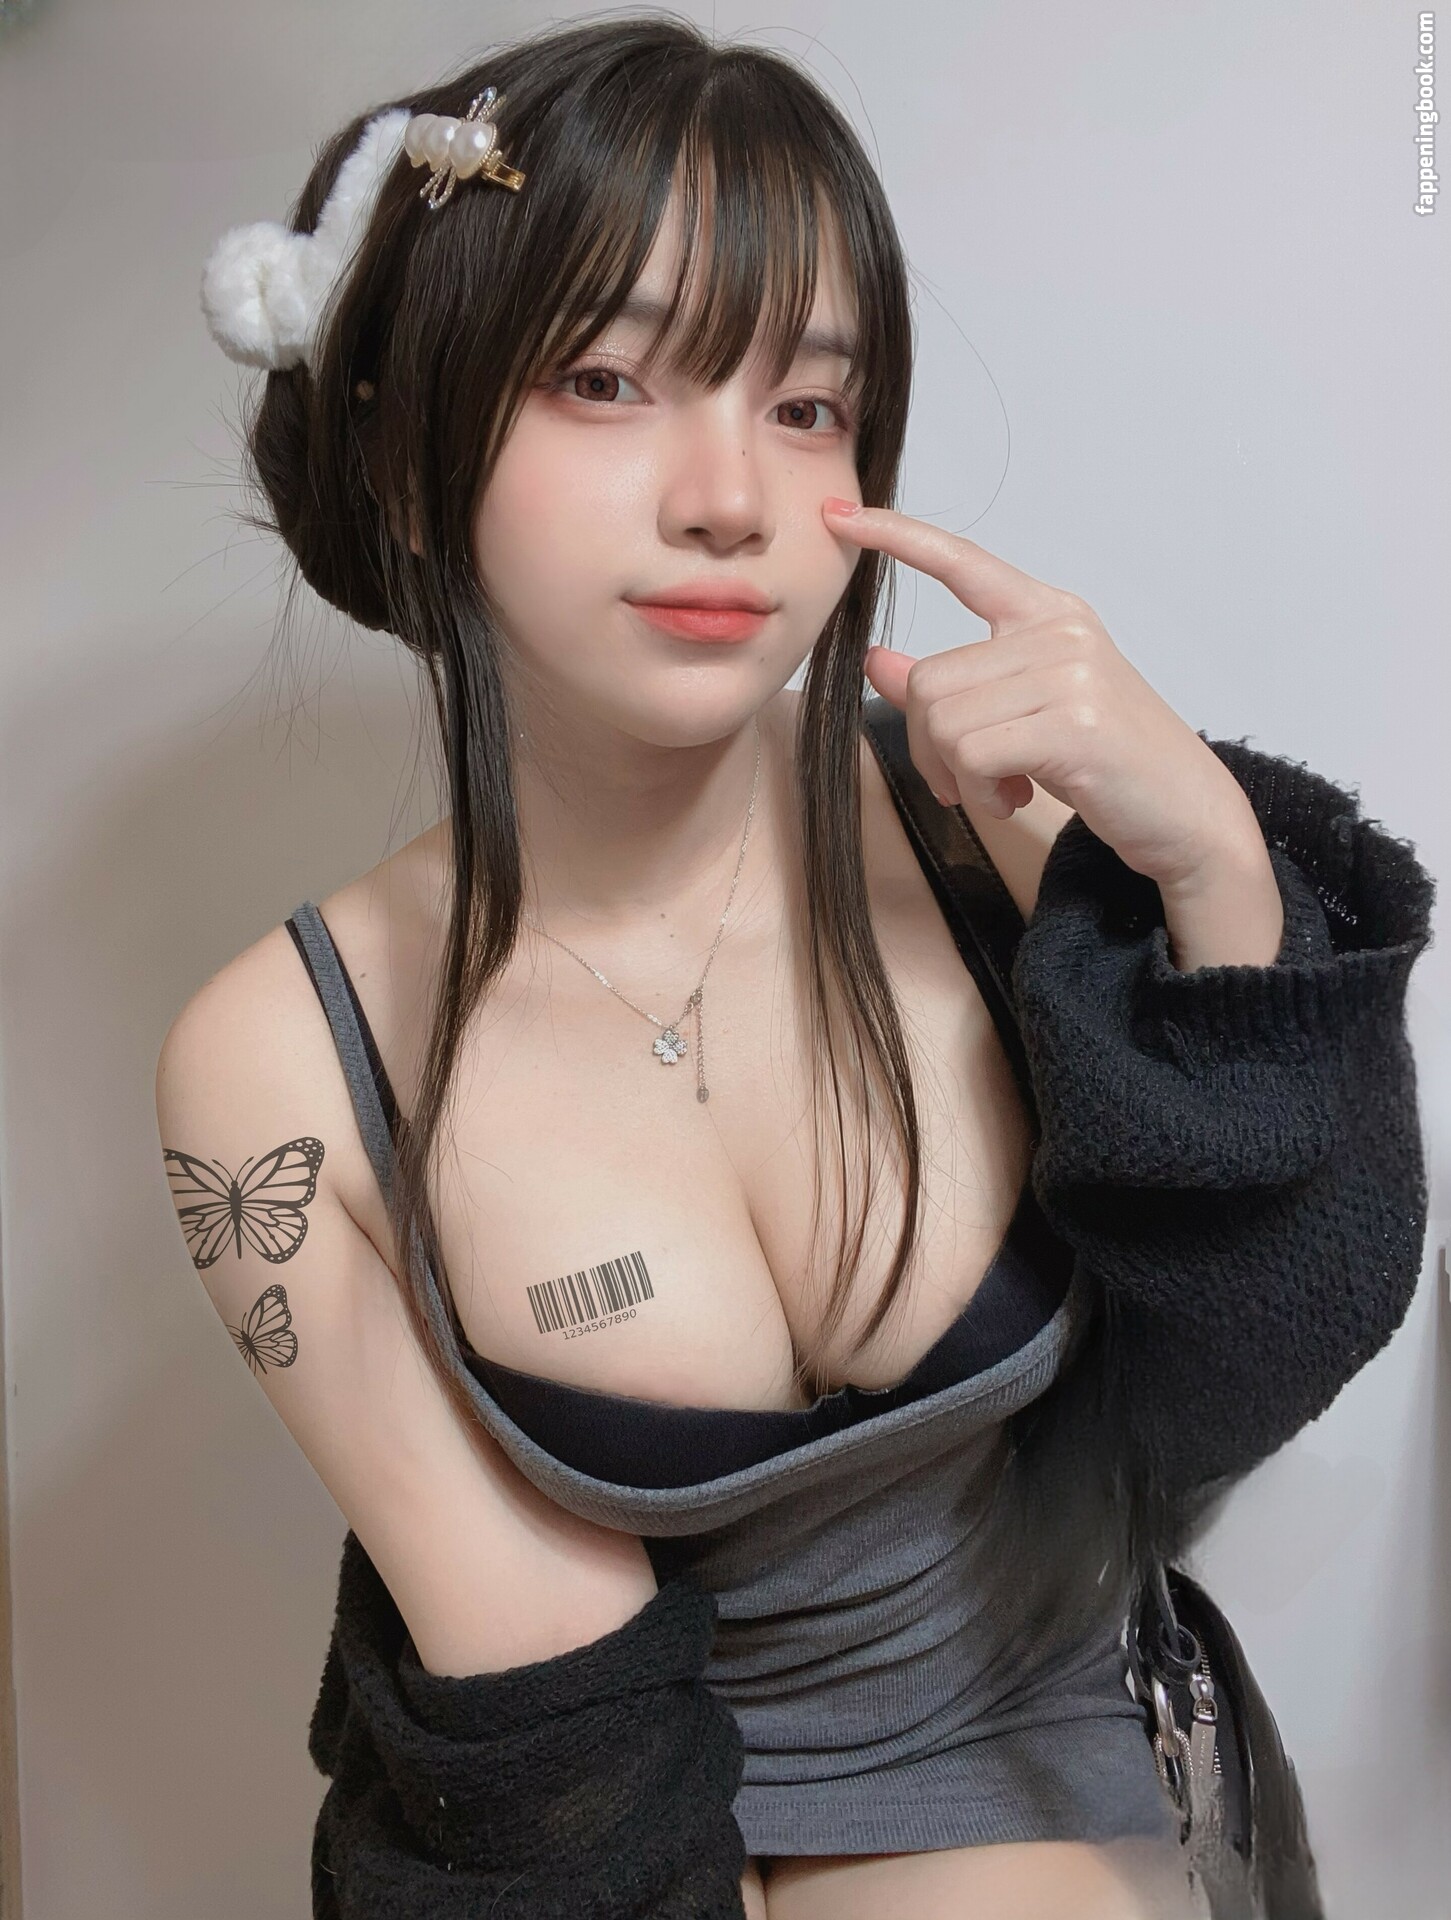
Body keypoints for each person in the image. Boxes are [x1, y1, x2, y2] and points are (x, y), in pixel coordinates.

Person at [155, 15, 1435, 1919]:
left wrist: (1218, 879)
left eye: (810, 406)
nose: (731, 498)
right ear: (407, 457)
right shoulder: (286, 1067)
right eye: (606, 379)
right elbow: (560, 1750)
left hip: (1080, 1765)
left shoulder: (982, 829)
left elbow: (1246, 1371)